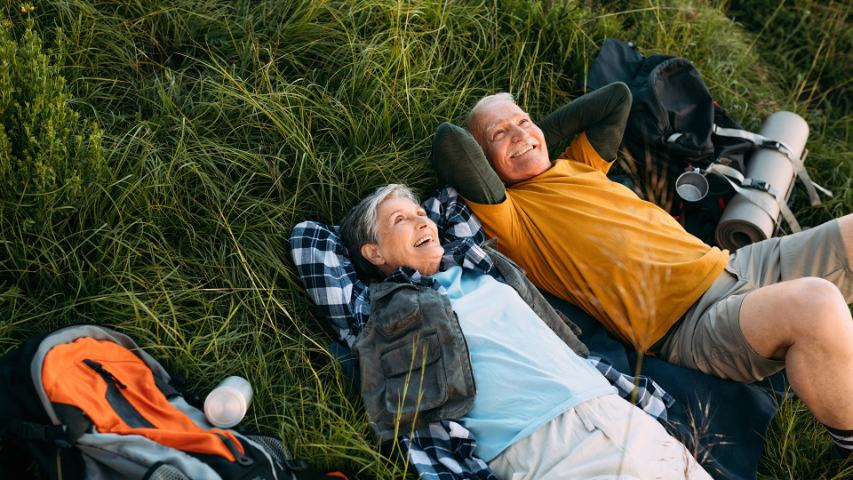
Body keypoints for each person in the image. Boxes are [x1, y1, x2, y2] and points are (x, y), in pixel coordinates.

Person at [429, 81, 853, 458]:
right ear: (485, 162)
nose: (518, 133)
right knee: (816, 305)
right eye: (499, 134)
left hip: (735, 264)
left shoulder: (579, 164)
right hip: (693, 324)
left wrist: (531, 136)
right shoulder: (510, 217)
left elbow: (616, 98)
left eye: (522, 121)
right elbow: (451, 143)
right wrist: (521, 143)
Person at [333, 183, 710, 479]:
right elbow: (309, 239)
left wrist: (413, 222)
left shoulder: (476, 263)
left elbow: (448, 198)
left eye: (420, 215)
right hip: (543, 449)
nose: (422, 222)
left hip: (619, 414)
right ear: (374, 254)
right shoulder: (376, 307)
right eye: (401, 220)